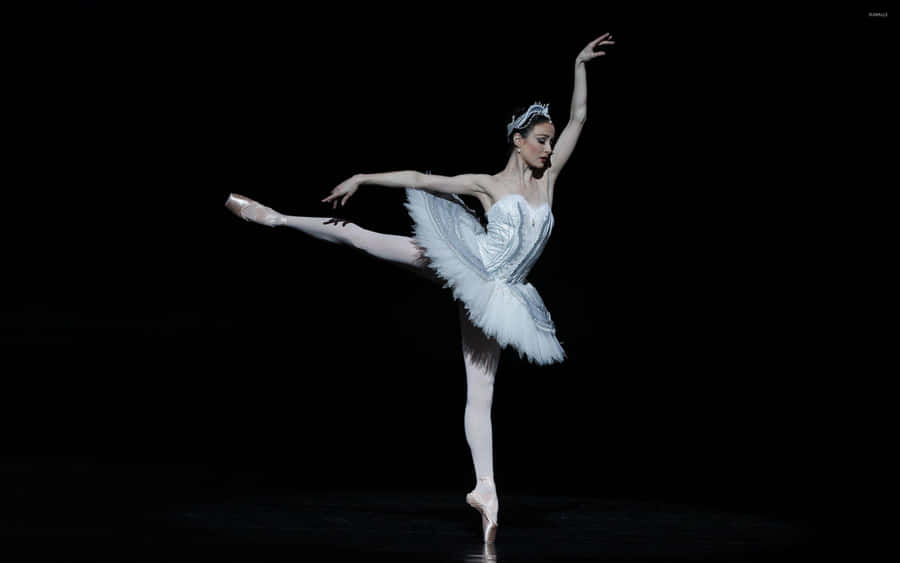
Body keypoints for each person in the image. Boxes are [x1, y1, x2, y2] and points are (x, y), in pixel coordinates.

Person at [225, 33, 614, 543]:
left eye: (550, 140)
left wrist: (579, 65)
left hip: (500, 297)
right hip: (466, 264)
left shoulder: (549, 181)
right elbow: (421, 178)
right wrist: (364, 175)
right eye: (541, 139)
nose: (548, 148)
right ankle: (277, 219)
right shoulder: (489, 184)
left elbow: (581, 118)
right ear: (518, 140)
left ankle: (487, 491)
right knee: (367, 241)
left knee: (483, 394)